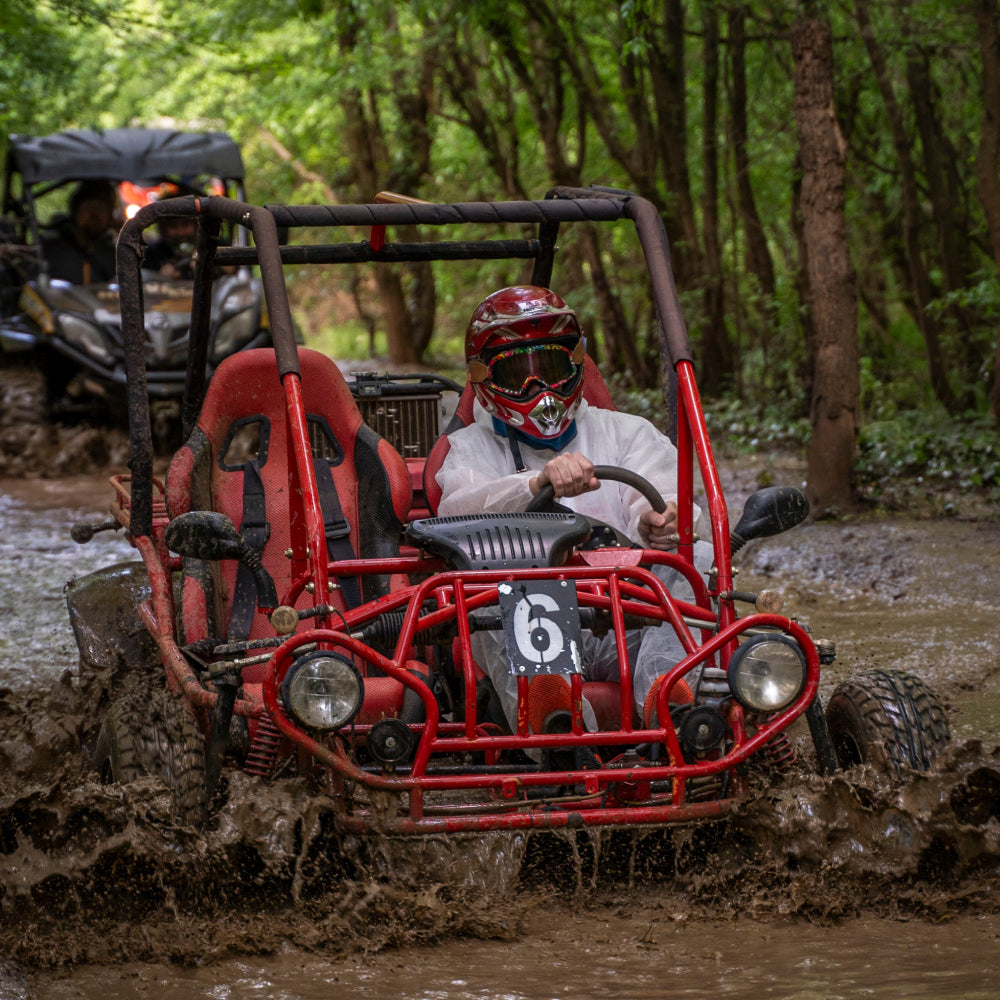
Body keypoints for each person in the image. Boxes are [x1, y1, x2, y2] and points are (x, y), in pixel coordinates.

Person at [434, 285, 713, 748]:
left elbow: (665, 497)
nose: (538, 388)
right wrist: (535, 482)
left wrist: (656, 520)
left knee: (696, 556)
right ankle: (557, 721)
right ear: (484, 378)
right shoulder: (470, 448)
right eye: (519, 374)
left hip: (628, 619)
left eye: (550, 368)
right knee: (501, 575)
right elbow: (458, 511)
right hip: (534, 622)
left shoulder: (625, 433)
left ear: (576, 365)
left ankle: (671, 701)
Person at [42, 180, 118, 285]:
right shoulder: (50, 252)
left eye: (101, 208)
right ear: (76, 212)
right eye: (88, 207)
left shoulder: (117, 256)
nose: (94, 214)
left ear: (110, 216)